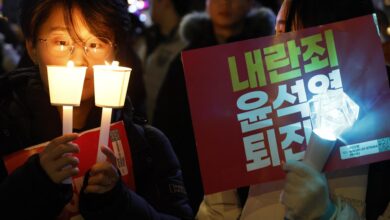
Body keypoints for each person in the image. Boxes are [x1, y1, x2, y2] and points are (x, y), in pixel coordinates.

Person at [0, 0, 193, 219]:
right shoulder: (6, 132)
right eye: (61, 42)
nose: (79, 61)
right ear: (32, 47)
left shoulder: (145, 144)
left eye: (95, 44)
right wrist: (34, 182)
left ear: (115, 51)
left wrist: (121, 202)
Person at [197, 0, 390, 219]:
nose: (285, 46)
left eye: (306, 35)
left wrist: (329, 214)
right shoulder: (246, 112)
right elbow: (216, 211)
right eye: (280, 30)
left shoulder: (382, 110)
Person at [151, 0, 276, 213]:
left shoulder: (266, 52)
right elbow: (168, 121)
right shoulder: (186, 59)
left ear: (250, 4)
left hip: (259, 173)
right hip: (198, 174)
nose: (224, 4)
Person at [134, 0, 192, 123]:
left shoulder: (187, 43)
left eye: (153, 2)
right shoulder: (150, 38)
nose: (150, 7)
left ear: (165, 3)